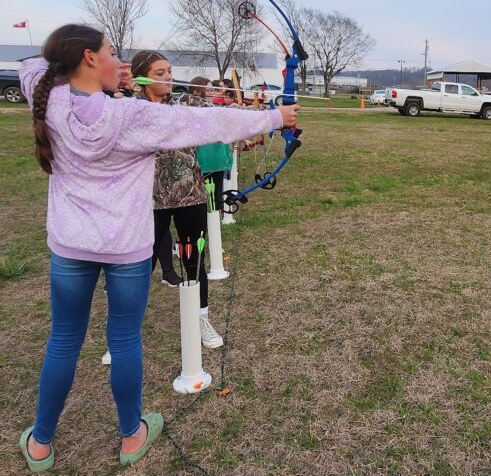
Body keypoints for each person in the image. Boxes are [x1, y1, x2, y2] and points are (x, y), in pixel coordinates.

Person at [18, 24, 297, 471]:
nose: (119, 60)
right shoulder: (131, 116)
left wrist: (106, 77)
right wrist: (273, 118)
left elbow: (31, 65)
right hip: (124, 249)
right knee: (124, 339)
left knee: (64, 339)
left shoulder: (49, 97)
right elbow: (206, 122)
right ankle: (132, 436)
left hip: (71, 247)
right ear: (89, 57)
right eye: (111, 52)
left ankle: (40, 443)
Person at [133, 54, 224, 348]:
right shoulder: (129, 108)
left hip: (191, 196)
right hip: (148, 200)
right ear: (142, 78)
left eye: (170, 71)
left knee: (194, 261)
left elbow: (221, 115)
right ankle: (125, 331)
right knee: (138, 265)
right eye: (160, 72)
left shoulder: (186, 104)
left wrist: (272, 114)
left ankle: (201, 319)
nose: (169, 77)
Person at [188, 78, 233, 211]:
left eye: (212, 89)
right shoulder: (194, 110)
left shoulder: (214, 109)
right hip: (204, 161)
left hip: (218, 159)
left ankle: (215, 226)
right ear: (196, 91)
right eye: (208, 90)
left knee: (217, 198)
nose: (212, 92)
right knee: (203, 202)